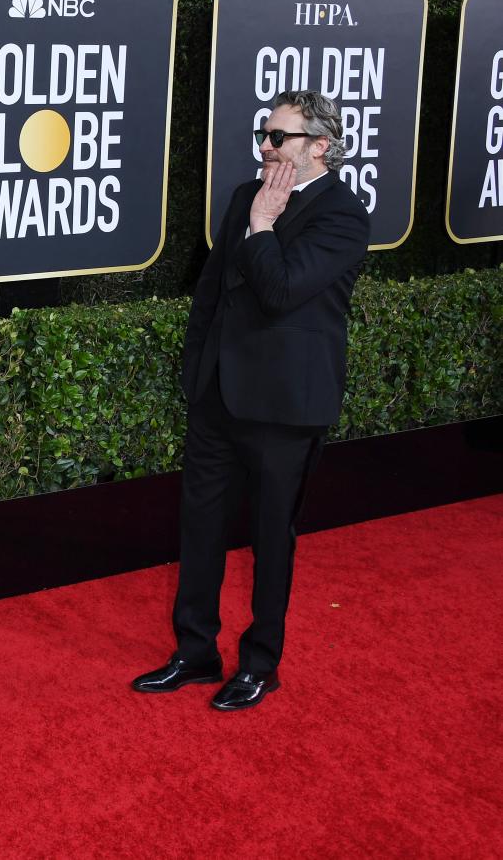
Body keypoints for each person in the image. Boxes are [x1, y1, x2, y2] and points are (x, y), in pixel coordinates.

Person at [131, 90, 370, 710]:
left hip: (285, 408)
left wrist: (264, 225)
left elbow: (282, 290)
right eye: (263, 134)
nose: (265, 146)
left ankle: (261, 663)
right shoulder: (244, 195)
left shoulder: (343, 215)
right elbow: (210, 294)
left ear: (320, 147)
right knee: (200, 527)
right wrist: (195, 375)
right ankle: (195, 651)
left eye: (280, 137)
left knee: (270, 538)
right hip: (217, 398)